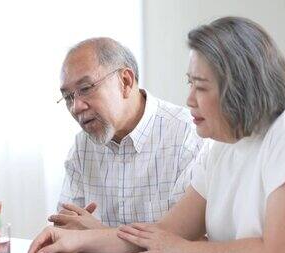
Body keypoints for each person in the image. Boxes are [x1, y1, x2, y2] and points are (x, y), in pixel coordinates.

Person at [27, 17, 285, 253]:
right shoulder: (222, 148)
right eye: (190, 84)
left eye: (200, 86)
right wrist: (72, 240)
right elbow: (161, 234)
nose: (188, 100)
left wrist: (182, 249)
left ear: (237, 87)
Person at [51, 37, 203, 230]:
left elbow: (181, 240)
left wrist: (97, 236)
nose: (76, 106)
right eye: (67, 97)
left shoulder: (187, 134)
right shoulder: (82, 146)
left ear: (125, 81)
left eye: (85, 88)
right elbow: (66, 232)